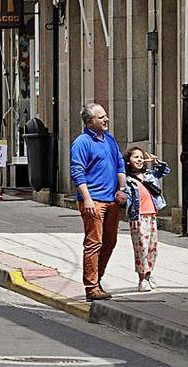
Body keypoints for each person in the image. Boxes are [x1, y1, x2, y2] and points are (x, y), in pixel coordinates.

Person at [69, 102, 128, 301]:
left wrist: (122, 189)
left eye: (106, 116)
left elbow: (120, 165)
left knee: (110, 242)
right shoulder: (81, 142)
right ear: (90, 121)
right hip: (94, 200)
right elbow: (77, 172)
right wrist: (86, 199)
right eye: (101, 117)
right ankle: (91, 287)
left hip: (112, 201)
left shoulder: (109, 140)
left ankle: (98, 280)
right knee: (94, 243)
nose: (106, 119)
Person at [123, 147, 169, 292]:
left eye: (141, 157)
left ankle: (149, 275)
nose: (139, 159)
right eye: (135, 157)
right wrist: (132, 216)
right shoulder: (128, 180)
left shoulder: (149, 175)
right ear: (128, 161)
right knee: (141, 248)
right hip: (138, 217)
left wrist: (156, 162)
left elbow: (164, 171)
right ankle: (142, 279)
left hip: (151, 216)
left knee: (152, 248)